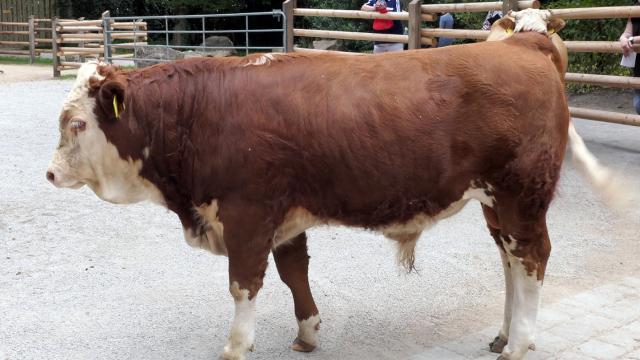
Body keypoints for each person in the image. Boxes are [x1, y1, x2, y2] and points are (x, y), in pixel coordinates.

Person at [619, 0, 640, 114]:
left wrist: (631, 40)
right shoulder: (635, 9)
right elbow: (627, 32)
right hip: (638, 68)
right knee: (638, 104)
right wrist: (623, 38)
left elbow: (631, 38)